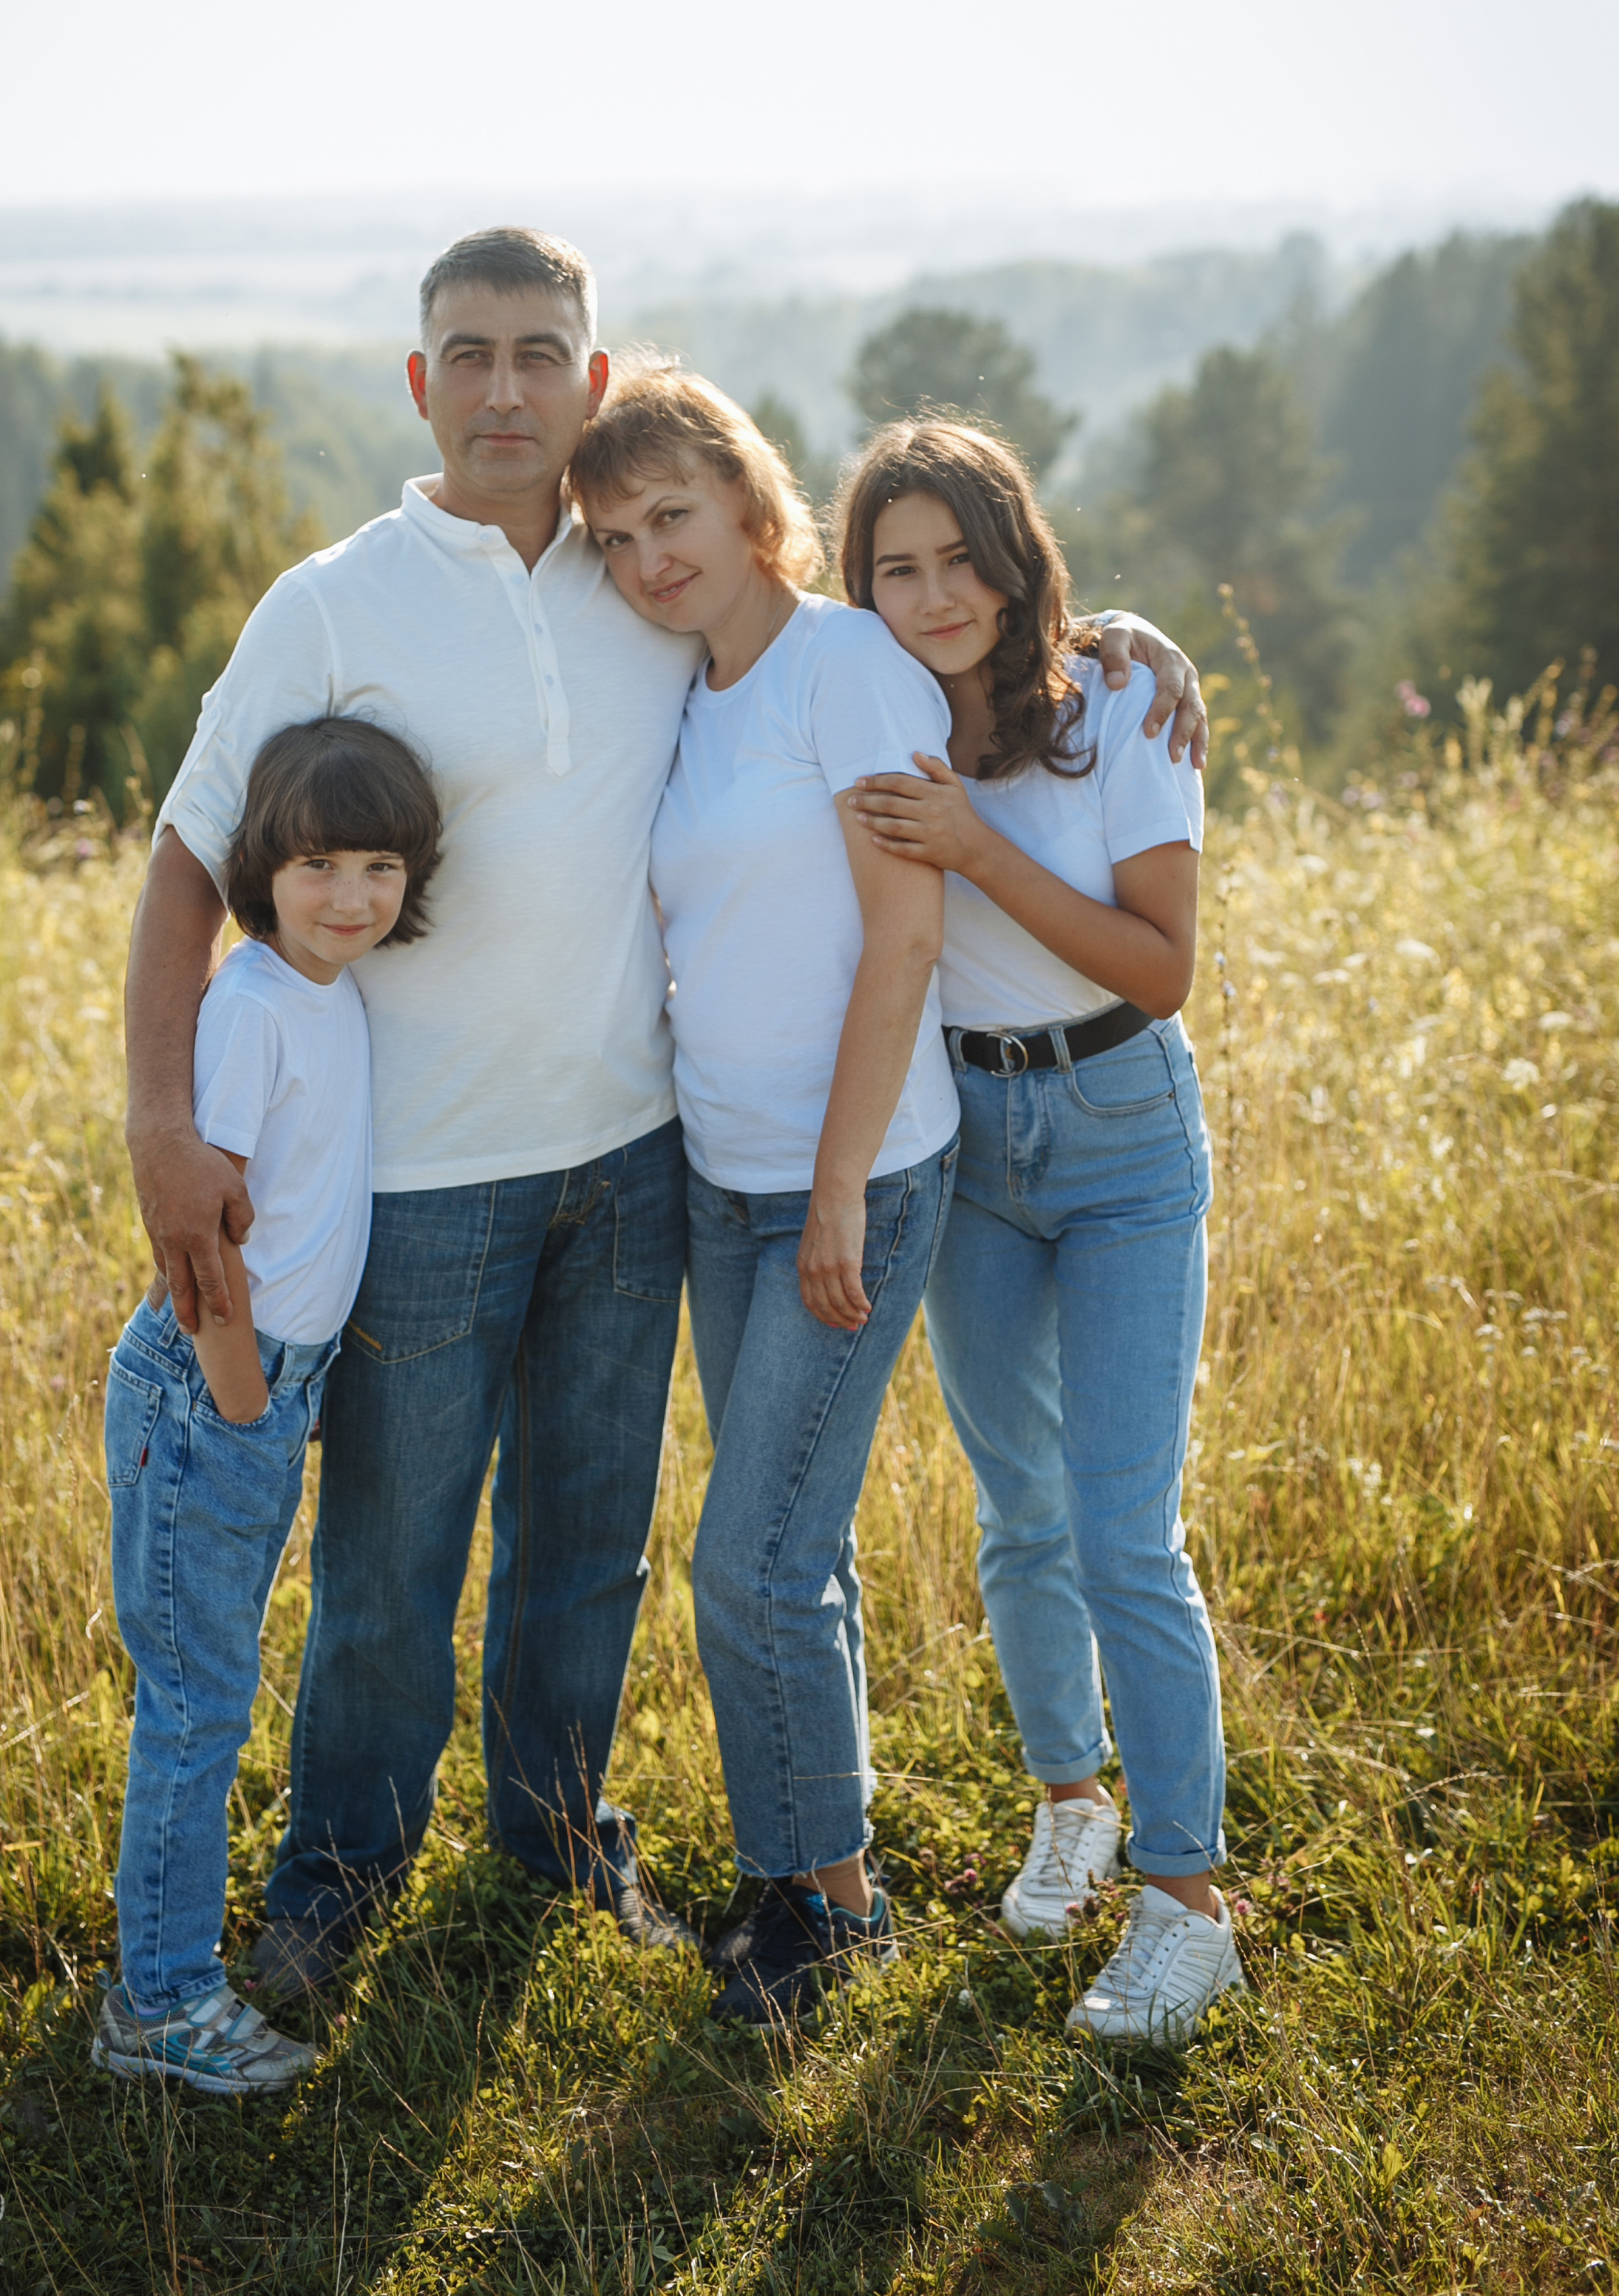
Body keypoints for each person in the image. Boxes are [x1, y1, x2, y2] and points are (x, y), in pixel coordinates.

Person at [123, 224, 1208, 2000]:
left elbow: (909, 648)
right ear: (421, 381)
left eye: (538, 353)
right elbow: (188, 856)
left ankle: (560, 1838)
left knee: (595, 1553)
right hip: (428, 1169)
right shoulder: (338, 602)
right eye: (470, 356)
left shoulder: (657, 599)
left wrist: (1114, 638)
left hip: (638, 1164)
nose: (505, 390)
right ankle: (337, 1880)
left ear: (593, 380)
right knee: (392, 1560)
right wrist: (164, 1127)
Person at [843, 418, 1241, 2047]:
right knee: (1018, 1510)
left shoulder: (1121, 704)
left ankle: (1187, 1902)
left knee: (1121, 1528)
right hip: (967, 1138)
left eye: (962, 559)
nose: (936, 595)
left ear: (1017, 563)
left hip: (1120, 1128)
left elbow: (1161, 966)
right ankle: (1072, 1802)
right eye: (897, 569)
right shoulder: (866, 716)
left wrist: (976, 849)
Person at [571, 368, 961, 2026]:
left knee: (748, 1562)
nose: (649, 558)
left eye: (673, 515)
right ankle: (809, 1878)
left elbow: (906, 935)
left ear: (747, 501)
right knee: (795, 1546)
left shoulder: (843, 666)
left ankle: (825, 1910)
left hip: (846, 1179)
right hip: (720, 1182)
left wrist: (836, 1191)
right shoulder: (689, 689)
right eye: (615, 537)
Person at [94, 714, 442, 2093]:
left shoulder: (329, 989)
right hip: (213, 1392)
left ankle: (162, 1972)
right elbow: (208, 1237)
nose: (350, 897)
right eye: (317, 867)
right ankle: (162, 2003)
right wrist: (245, 1400)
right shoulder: (248, 1007)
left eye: (378, 867)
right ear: (262, 872)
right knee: (197, 1705)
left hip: (265, 1389)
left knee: (211, 1690)